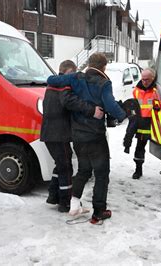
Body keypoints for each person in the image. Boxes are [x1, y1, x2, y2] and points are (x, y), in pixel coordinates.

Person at [47, 53, 126, 224]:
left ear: (90, 64)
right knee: (101, 173)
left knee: (83, 170)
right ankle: (99, 212)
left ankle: (74, 203)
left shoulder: (75, 77)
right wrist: (123, 115)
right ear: (104, 67)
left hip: (78, 136)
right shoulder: (105, 83)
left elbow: (51, 80)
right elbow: (110, 105)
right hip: (95, 136)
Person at [41, 60, 104, 213]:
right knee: (66, 168)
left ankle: (53, 196)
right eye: (73, 74)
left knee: (61, 163)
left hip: (50, 133)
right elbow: (70, 101)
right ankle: (66, 203)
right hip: (59, 134)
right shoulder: (64, 85)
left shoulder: (52, 85)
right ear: (68, 72)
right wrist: (91, 110)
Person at [128, 68, 158, 179]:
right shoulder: (136, 91)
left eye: (147, 80)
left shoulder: (157, 90)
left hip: (156, 123)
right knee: (140, 147)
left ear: (153, 79)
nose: (144, 82)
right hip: (142, 123)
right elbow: (133, 107)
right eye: (143, 79)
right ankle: (138, 170)